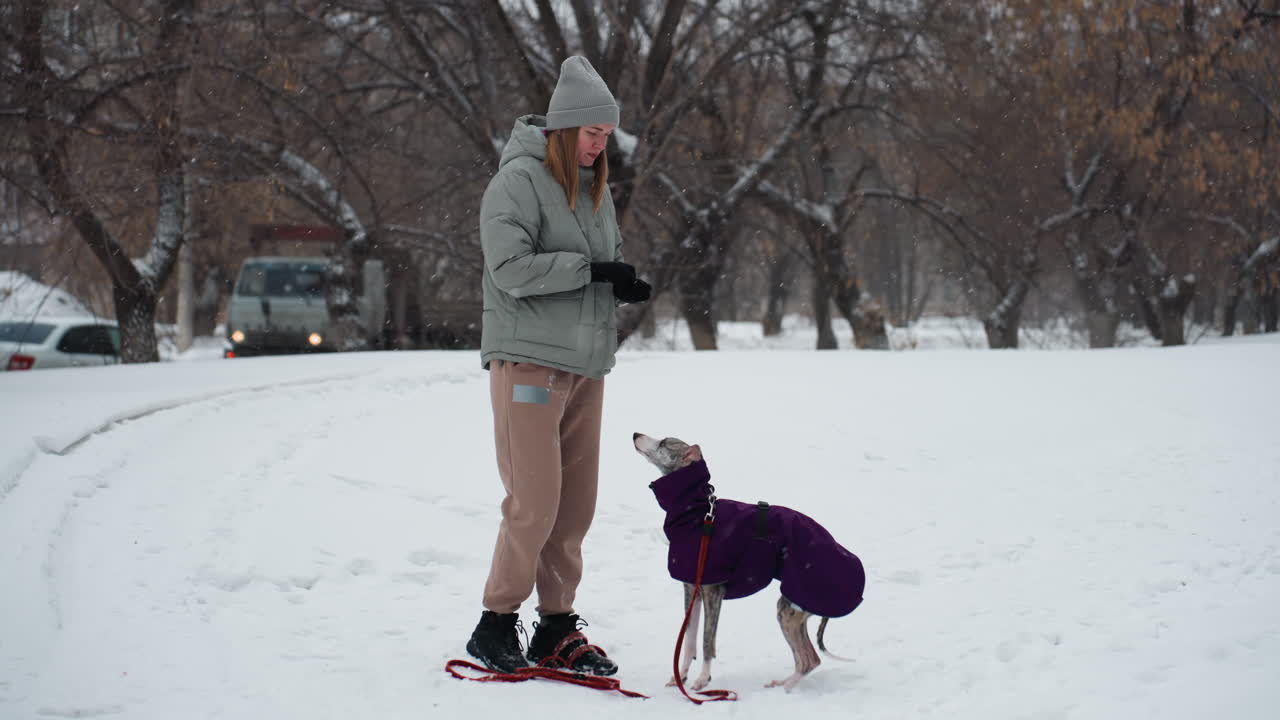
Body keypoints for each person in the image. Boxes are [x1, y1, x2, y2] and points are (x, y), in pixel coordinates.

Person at [466, 56, 651, 676]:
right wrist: (589, 271)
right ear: (565, 128)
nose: (603, 144)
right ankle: (495, 623)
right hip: (528, 365)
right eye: (594, 133)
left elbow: (605, 257)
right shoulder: (517, 181)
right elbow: (509, 269)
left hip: (584, 366)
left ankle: (555, 626)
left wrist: (618, 281)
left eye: (607, 133)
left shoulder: (596, 189)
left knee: (576, 507)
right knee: (535, 501)